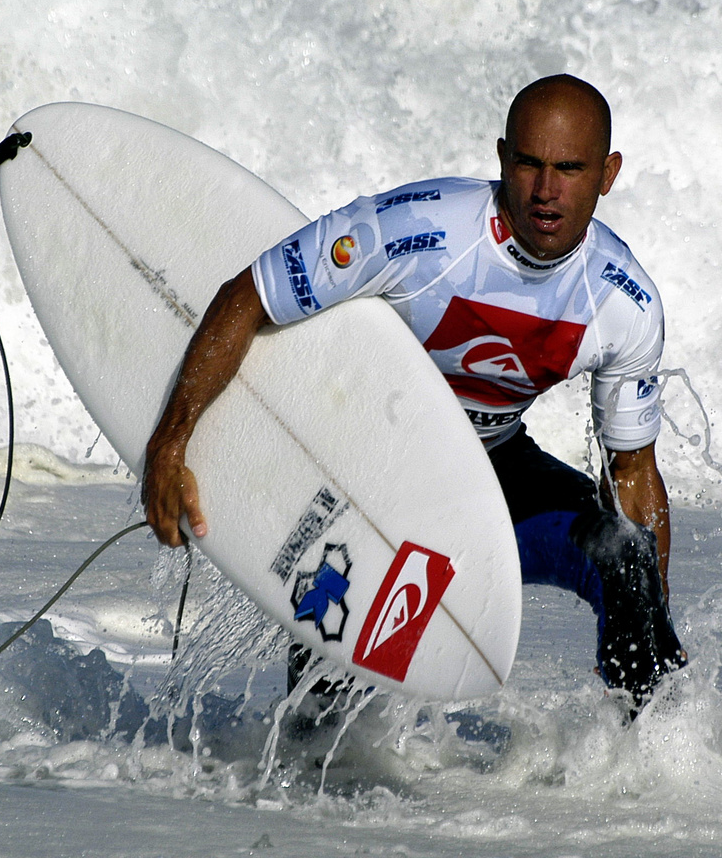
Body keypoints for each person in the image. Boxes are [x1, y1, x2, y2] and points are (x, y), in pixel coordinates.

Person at [141, 74, 686, 705]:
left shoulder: (623, 301)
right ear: (503, 157)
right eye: (530, 164)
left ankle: (641, 758)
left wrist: (649, 622)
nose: (546, 190)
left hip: (494, 474)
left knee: (627, 560)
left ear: (607, 174)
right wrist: (171, 442)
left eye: (569, 168)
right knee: (329, 721)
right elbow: (249, 297)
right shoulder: (417, 230)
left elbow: (634, 471)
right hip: (373, 471)